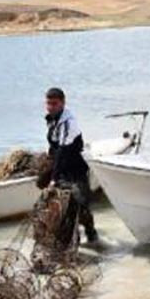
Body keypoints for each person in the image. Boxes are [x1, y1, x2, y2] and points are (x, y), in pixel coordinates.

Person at [44, 87, 98, 243]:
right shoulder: (52, 119)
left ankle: (92, 234)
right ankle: (72, 239)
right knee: (63, 208)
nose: (51, 107)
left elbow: (62, 150)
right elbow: (53, 147)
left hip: (76, 169)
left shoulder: (69, 123)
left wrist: (53, 178)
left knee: (81, 205)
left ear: (63, 103)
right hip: (62, 167)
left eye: (54, 104)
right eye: (48, 103)